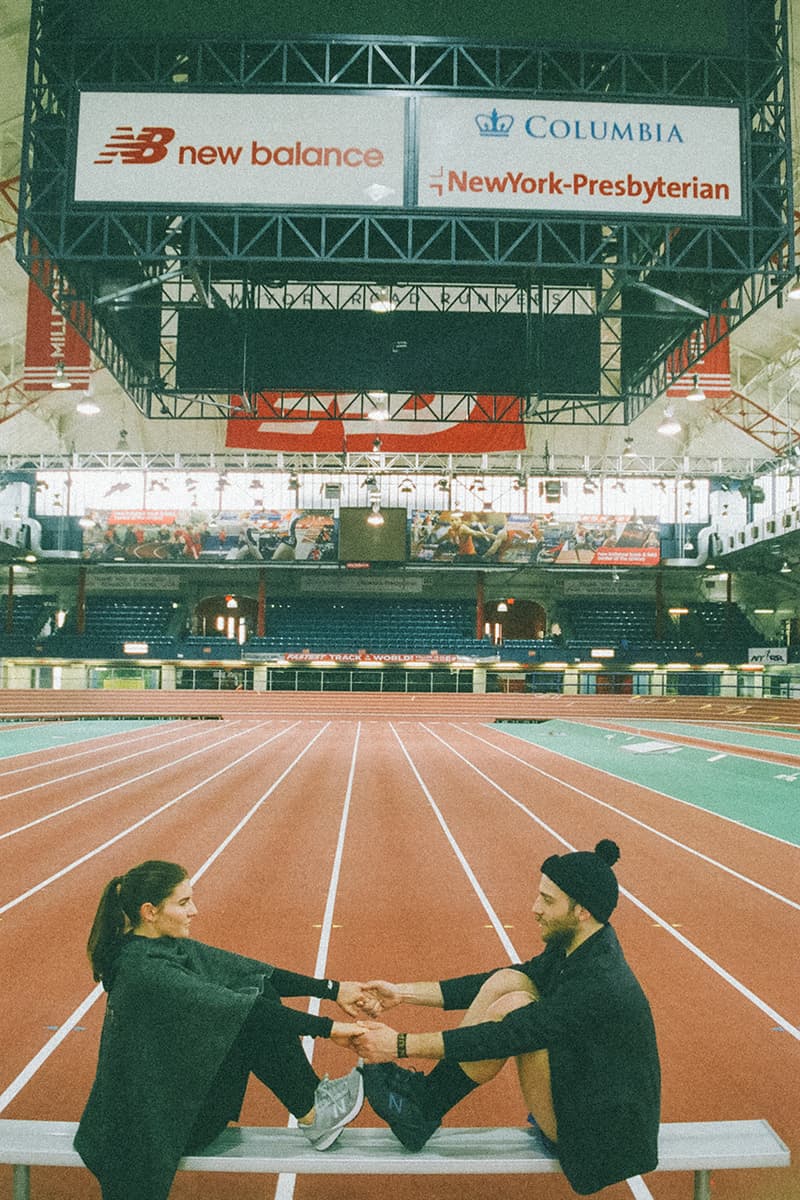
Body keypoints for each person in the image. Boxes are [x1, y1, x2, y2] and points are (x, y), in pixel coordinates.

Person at [353, 840, 661, 1196]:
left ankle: (426, 1105)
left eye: (547, 900)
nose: (535, 909)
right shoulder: (581, 946)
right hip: (586, 1093)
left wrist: (400, 1045)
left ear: (582, 911)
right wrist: (403, 994)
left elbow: (509, 1034)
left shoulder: (599, 981)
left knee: (512, 1011)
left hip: (601, 1139)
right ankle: (424, 1105)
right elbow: (502, 979)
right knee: (509, 981)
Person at [74, 860, 372, 1200]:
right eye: (184, 903)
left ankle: (312, 1107)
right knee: (246, 1017)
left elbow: (251, 971)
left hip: (169, 1101)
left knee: (254, 992)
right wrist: (330, 1029)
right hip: (151, 1127)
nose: (194, 911)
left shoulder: (159, 946)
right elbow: (249, 1013)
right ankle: (314, 1113)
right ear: (150, 912)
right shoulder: (145, 972)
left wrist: (333, 990)